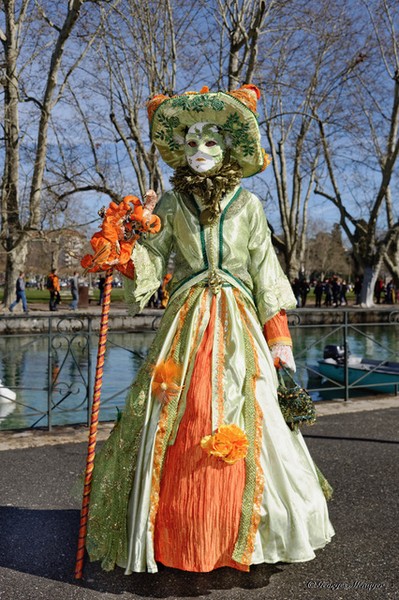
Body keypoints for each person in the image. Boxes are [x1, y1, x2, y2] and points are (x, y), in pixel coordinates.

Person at [85, 85, 334, 574]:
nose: (199, 152)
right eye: (191, 144)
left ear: (230, 149)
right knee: (186, 411)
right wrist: (121, 249)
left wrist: (279, 338)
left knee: (251, 411)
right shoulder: (174, 205)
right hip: (188, 322)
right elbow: (153, 260)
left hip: (239, 321)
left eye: (210, 143)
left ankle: (244, 533)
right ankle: (181, 532)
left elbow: (266, 272)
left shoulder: (249, 207)